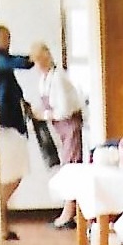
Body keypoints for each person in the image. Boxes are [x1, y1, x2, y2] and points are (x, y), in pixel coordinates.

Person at [31, 42, 84, 228]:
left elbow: (64, 110)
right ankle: (72, 211)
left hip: (70, 127)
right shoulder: (44, 79)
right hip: (59, 129)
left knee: (71, 167)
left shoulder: (58, 78)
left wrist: (43, 115)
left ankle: (69, 213)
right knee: (66, 167)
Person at [0, 24, 34, 242]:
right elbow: (15, 62)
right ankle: (1, 223)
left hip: (11, 125)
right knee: (9, 175)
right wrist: (32, 59)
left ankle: (2, 223)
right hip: (5, 126)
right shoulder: (0, 59)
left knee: (12, 175)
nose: (8, 41)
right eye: (4, 37)